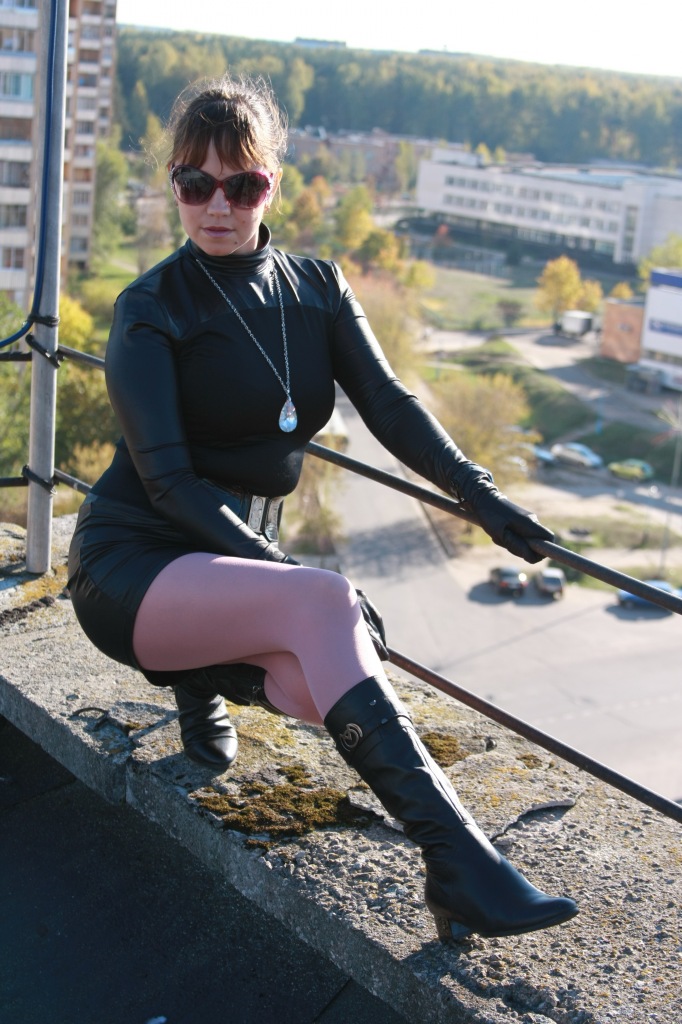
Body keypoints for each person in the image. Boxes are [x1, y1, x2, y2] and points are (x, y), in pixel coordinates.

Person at [67, 74, 578, 942]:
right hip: (132, 566)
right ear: (175, 185)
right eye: (195, 183)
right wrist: (291, 575)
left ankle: (203, 674)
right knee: (327, 606)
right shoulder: (149, 309)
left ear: (272, 183)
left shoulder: (318, 288)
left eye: (241, 184)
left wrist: (480, 495)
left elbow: (391, 407)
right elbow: (170, 486)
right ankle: (462, 866)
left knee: (314, 686)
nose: (216, 205)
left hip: (231, 567)